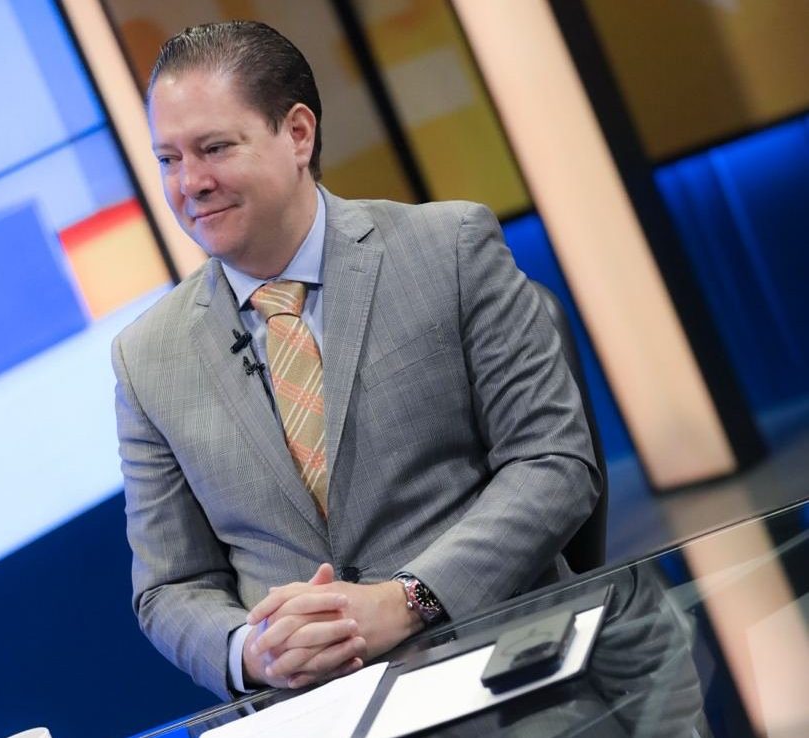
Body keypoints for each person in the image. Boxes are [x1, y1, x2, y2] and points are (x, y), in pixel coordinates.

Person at [112, 20, 600, 701]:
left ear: (297, 134)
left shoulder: (449, 249)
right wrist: (251, 651)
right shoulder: (145, 359)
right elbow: (170, 586)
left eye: (214, 148)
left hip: (501, 667)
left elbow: (553, 462)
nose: (189, 182)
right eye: (168, 159)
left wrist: (409, 600)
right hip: (315, 709)